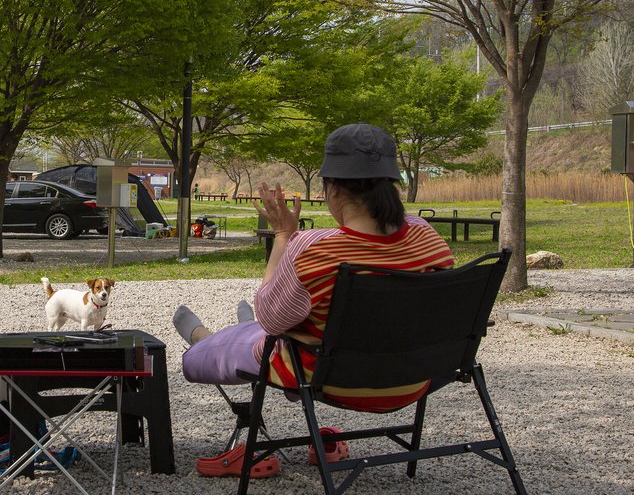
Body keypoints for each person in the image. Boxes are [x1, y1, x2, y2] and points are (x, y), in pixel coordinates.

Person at [174, 123, 455, 414]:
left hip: (329, 377)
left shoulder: (316, 250)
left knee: (210, 354)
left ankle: (202, 338)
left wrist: (283, 235)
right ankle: (240, 328)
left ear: (333, 190)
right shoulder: (427, 237)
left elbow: (271, 321)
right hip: (411, 378)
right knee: (266, 329)